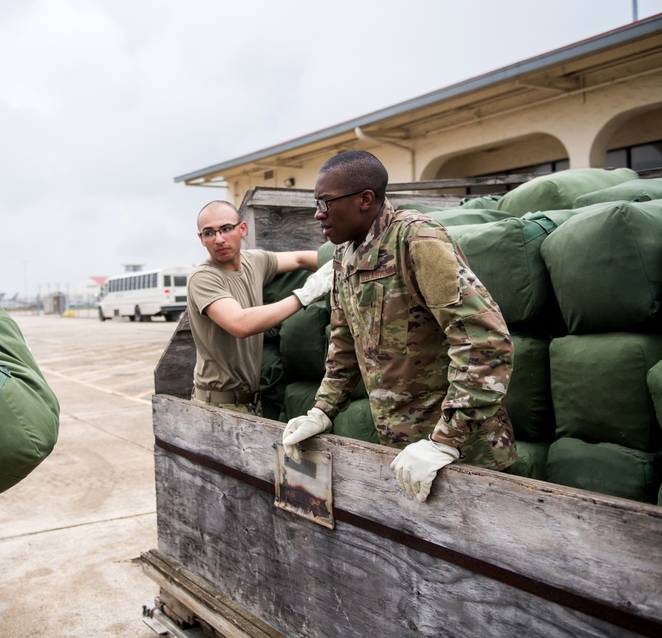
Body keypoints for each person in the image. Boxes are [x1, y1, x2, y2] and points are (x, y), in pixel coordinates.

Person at [281, 151, 516, 502]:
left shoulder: (417, 241)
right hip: (404, 452)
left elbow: (485, 343)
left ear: (365, 199)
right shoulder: (345, 257)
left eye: (326, 202)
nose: (318, 214)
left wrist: (444, 441)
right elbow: (344, 342)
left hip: (466, 454)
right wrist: (323, 410)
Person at [188, 200, 334, 415]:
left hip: (252, 401)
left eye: (226, 229)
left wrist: (341, 261)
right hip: (217, 405)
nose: (219, 239)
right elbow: (240, 324)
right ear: (201, 239)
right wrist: (305, 295)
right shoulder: (203, 277)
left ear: (242, 229)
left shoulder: (253, 261)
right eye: (209, 233)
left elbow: (299, 259)